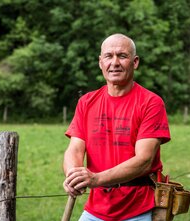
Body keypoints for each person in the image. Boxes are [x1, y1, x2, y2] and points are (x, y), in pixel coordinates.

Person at [63, 33, 171, 221]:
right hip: (95, 211)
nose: (114, 62)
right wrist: (73, 175)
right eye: (108, 56)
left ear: (135, 62)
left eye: (122, 56)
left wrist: (95, 180)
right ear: (100, 62)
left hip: (139, 210)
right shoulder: (86, 102)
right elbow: (74, 149)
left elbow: (144, 160)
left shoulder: (151, 103)